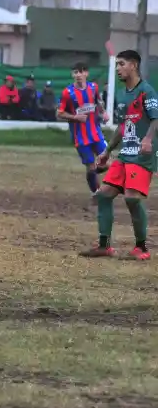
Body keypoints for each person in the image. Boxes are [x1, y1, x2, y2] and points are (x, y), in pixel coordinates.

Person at [81, 49, 158, 261]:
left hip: (142, 156)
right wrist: (107, 151)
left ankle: (141, 248)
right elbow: (123, 127)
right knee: (104, 194)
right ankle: (104, 245)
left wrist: (148, 139)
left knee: (132, 200)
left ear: (133, 65)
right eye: (117, 65)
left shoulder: (146, 91)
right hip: (125, 155)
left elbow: (155, 119)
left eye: (121, 64)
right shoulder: (124, 94)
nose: (118, 69)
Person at [56, 62, 106, 196]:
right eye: (75, 72)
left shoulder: (93, 87)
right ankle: (96, 192)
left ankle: (98, 173)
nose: (78, 75)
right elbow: (59, 113)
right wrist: (75, 117)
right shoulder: (68, 93)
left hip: (96, 133)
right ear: (72, 74)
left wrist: (103, 112)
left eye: (81, 72)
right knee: (90, 167)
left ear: (86, 73)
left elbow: (98, 101)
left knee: (107, 161)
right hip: (80, 136)